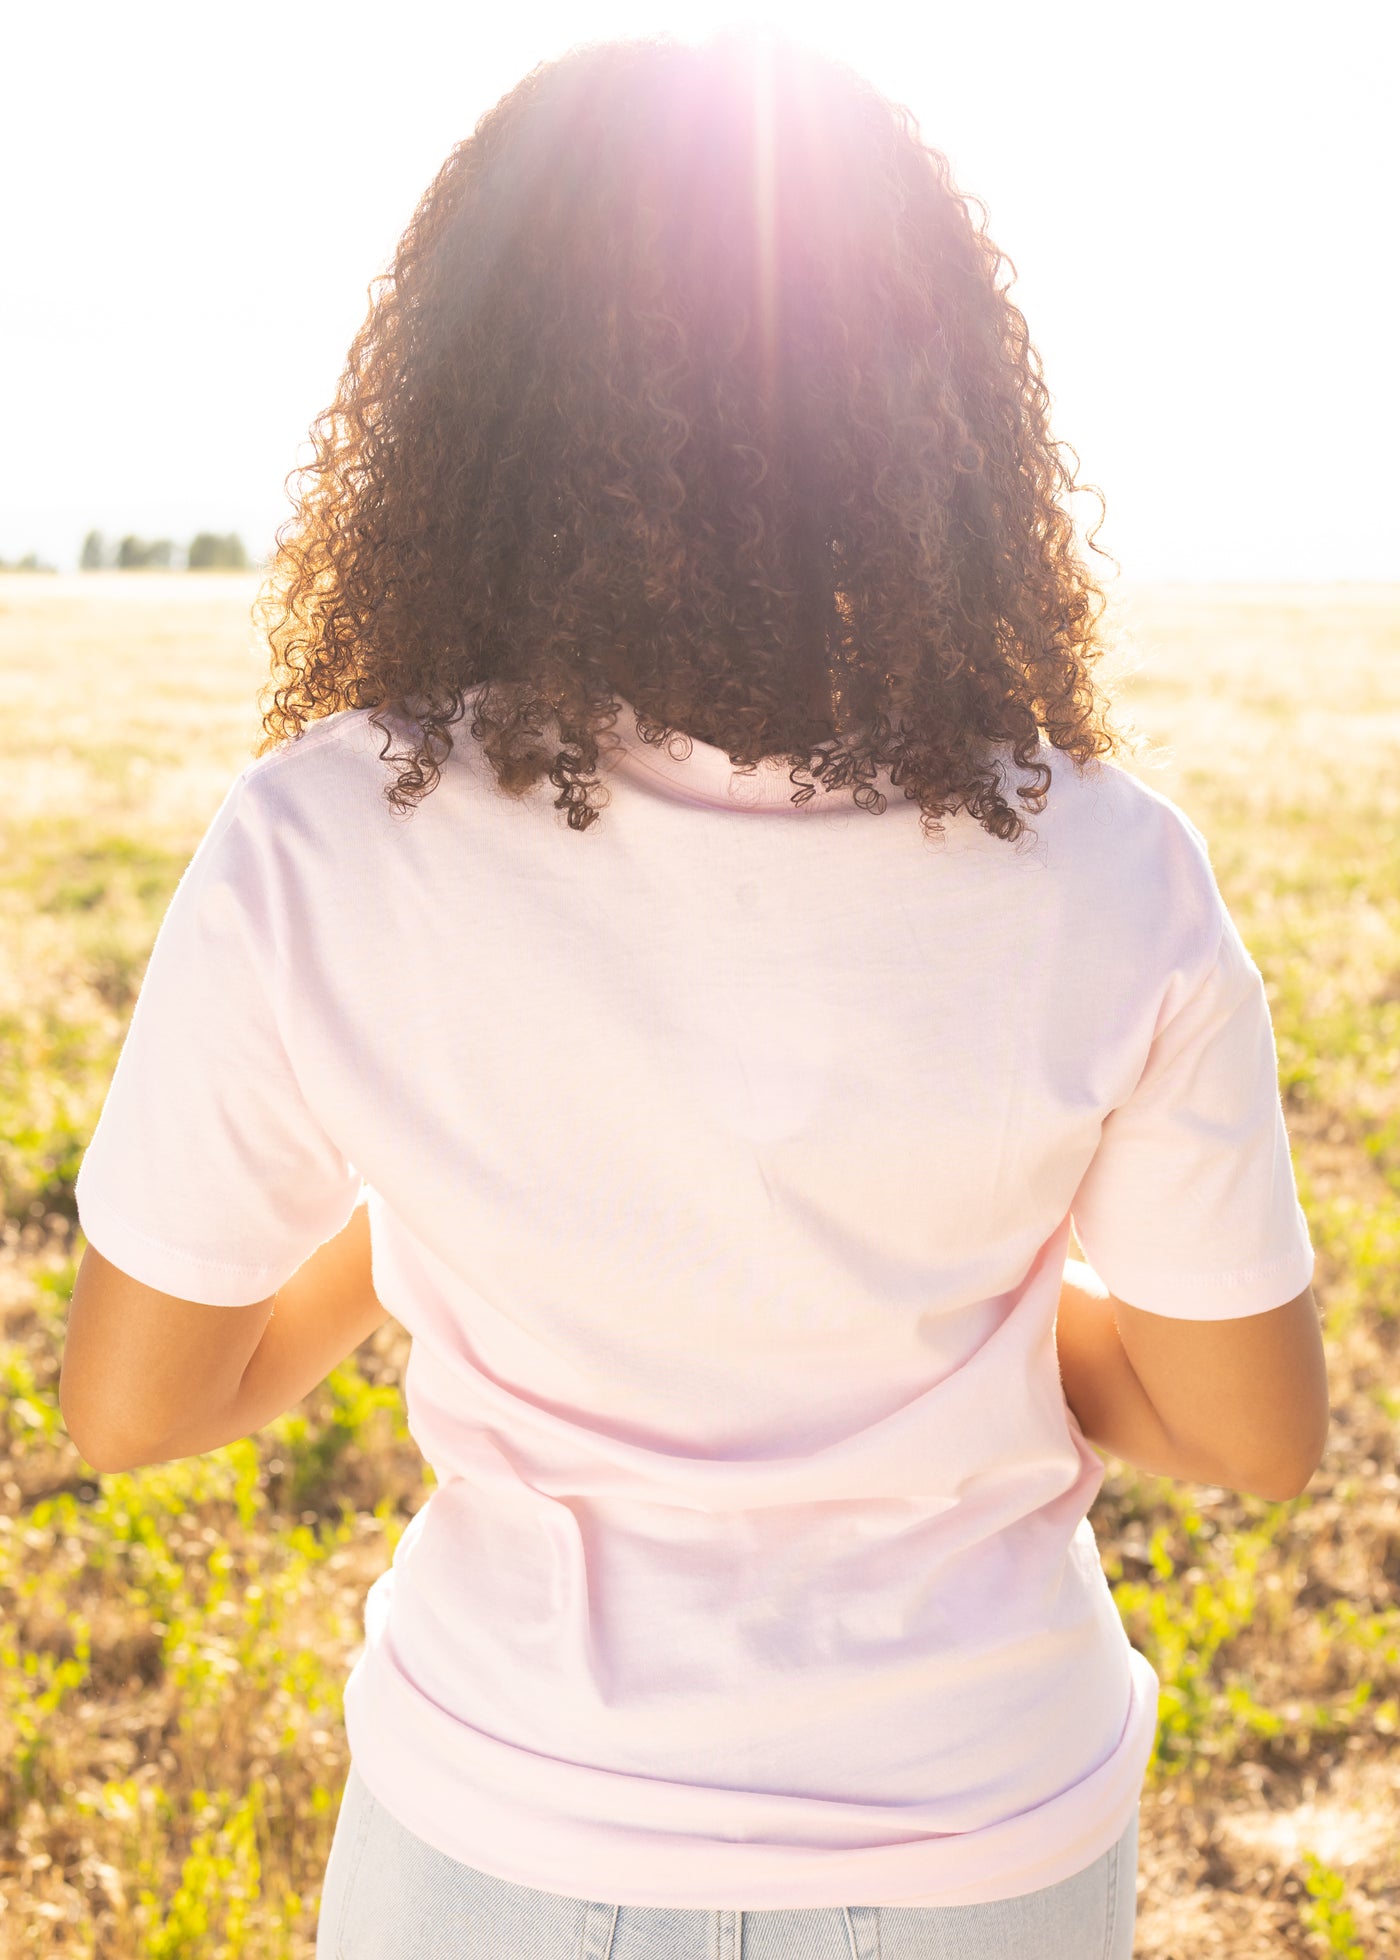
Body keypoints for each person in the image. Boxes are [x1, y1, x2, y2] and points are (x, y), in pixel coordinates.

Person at [61, 23, 1330, 1960]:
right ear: (933, 413)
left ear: (461, 408)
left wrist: (421, 1238)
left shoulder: (322, 842)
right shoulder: (1105, 866)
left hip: (493, 1826)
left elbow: (138, 1400)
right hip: (975, 1843)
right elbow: (1244, 1427)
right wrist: (950, 1327)